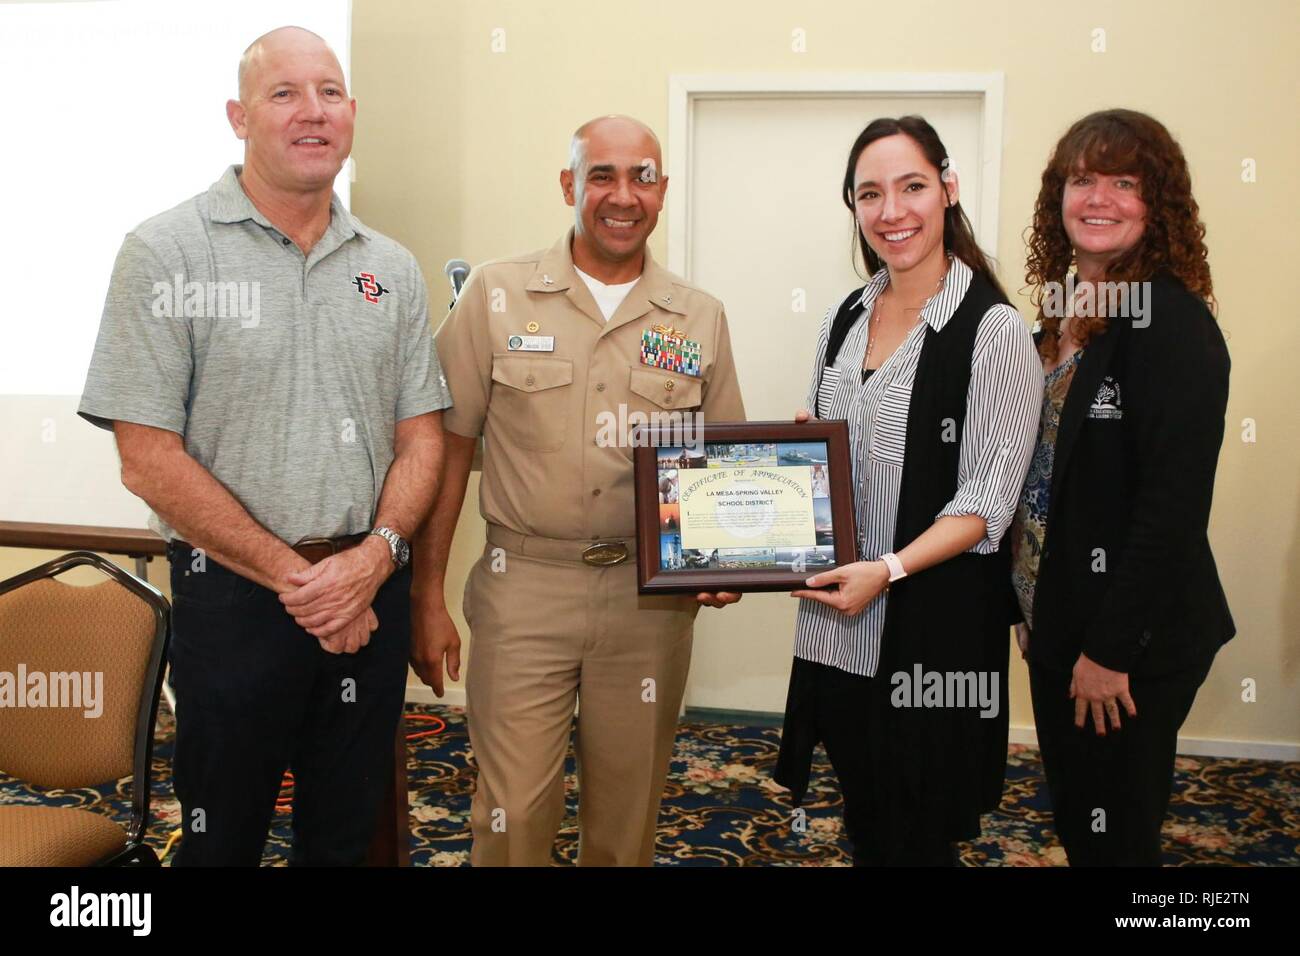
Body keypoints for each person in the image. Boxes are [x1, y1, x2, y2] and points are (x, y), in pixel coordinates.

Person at [77, 26, 451, 865]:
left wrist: (374, 561)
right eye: (284, 94)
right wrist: (303, 581)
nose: (310, 112)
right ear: (238, 116)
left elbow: (420, 439)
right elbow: (147, 456)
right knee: (221, 837)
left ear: (351, 113)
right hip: (238, 602)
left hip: (368, 596)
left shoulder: (388, 267)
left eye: (327, 92)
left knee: (350, 837)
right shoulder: (166, 251)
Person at [414, 115, 746, 866]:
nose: (622, 195)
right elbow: (443, 447)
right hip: (524, 587)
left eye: (643, 177)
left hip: (649, 602)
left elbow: (722, 465)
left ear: (663, 191)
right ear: (569, 185)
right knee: (512, 814)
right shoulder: (497, 296)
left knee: (627, 820)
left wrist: (725, 562)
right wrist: (424, 594)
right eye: (602, 175)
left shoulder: (699, 317)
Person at [773, 116, 1042, 866]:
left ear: (948, 191)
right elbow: (835, 451)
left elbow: (988, 499)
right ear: (853, 208)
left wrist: (886, 572)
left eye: (912, 186)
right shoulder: (844, 316)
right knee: (867, 817)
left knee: (919, 832)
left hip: (931, 628)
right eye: (870, 193)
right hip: (842, 625)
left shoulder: (993, 331)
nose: (892, 211)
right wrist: (802, 451)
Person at [1011, 109, 1234, 866]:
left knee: (1114, 836)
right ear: (1058, 196)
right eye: (1081, 179)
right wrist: (1029, 600)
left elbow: (1170, 511)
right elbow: (1044, 469)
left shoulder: (1170, 322)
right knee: (1081, 819)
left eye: (1123, 182)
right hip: (1060, 623)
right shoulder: (1063, 307)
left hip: (1128, 643)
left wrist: (1110, 651)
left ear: (1157, 203)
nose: (1098, 198)